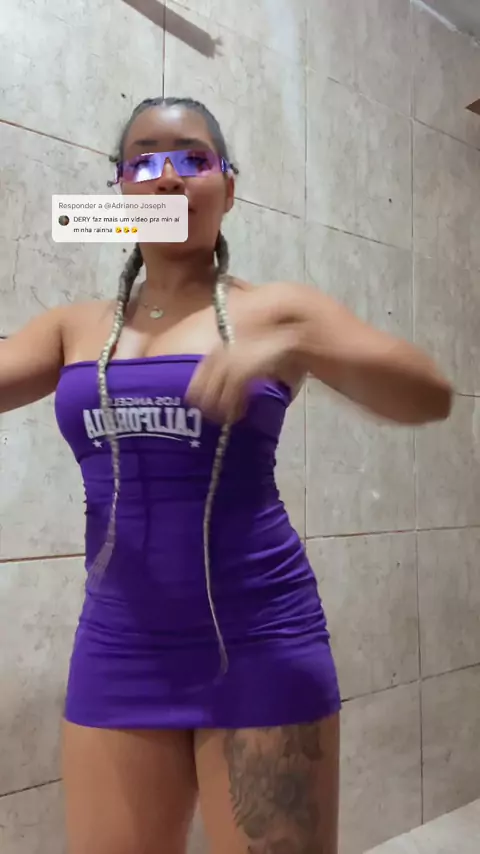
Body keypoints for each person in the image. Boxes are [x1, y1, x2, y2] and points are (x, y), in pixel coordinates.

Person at [0, 97, 452, 854]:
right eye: (145, 160)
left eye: (194, 158)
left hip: (261, 639)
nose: (168, 177)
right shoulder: (71, 327)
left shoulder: (278, 310)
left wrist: (298, 345)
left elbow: (430, 395)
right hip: (117, 648)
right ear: (120, 191)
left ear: (228, 188)